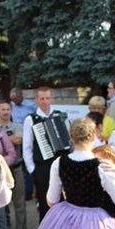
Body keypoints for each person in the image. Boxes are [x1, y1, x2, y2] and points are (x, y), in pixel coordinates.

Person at [23, 87, 69, 222]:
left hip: (60, 165)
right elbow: (27, 147)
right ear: (36, 100)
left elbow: (68, 141)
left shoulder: (59, 116)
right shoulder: (31, 119)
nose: (45, 101)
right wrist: (33, 170)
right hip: (42, 167)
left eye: (47, 98)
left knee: (63, 200)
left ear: (52, 99)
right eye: (42, 98)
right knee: (45, 203)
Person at [0, 100, 28, 229]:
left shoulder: (18, 126)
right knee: (1, 204)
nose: (5, 112)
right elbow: (12, 140)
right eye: (3, 109)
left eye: (8, 109)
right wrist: (10, 139)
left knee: (19, 203)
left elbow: (18, 140)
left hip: (16, 168)